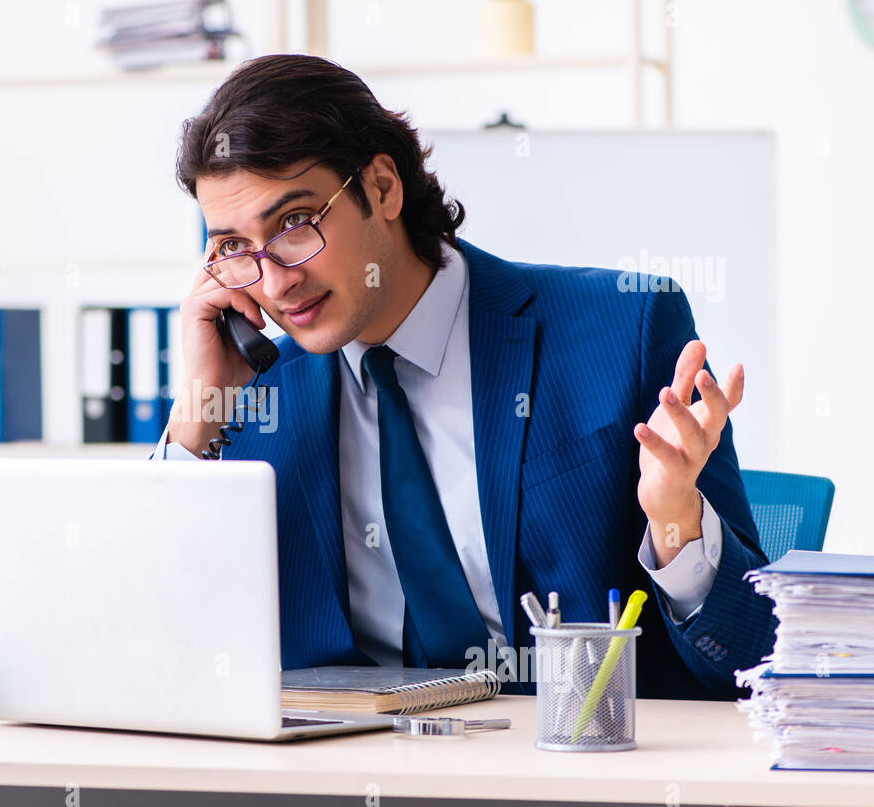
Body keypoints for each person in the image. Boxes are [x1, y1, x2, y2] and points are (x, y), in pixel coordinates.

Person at [152, 54, 773, 699]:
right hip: (337, 778)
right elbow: (155, 651)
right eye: (233, 246)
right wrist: (197, 414)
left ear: (383, 187)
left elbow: (752, 657)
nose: (275, 280)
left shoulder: (624, 330)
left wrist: (676, 524)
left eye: (295, 224)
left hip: (578, 764)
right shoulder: (248, 399)